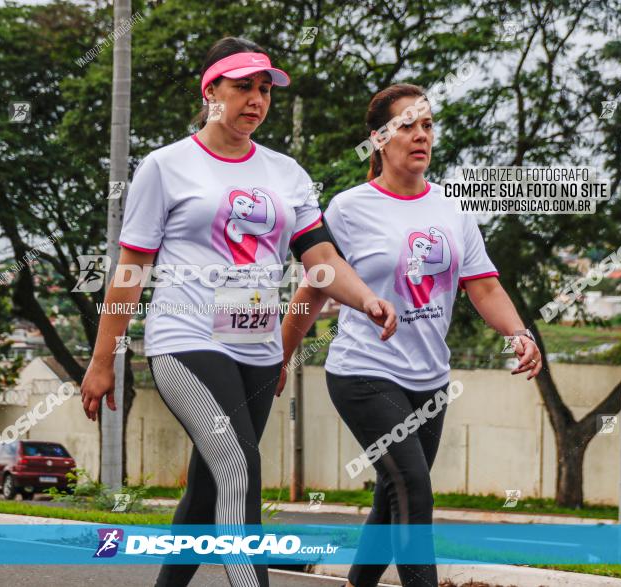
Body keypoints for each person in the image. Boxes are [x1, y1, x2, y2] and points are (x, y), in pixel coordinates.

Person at [80, 37, 396, 587]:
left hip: (256, 345)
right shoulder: (165, 166)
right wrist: (103, 357)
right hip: (184, 338)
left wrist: (365, 298)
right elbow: (130, 270)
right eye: (244, 86)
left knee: (208, 489)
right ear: (211, 91)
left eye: (265, 88)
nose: (256, 99)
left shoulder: (286, 173)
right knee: (238, 463)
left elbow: (320, 258)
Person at [280, 83, 543, 587]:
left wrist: (518, 333)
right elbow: (314, 290)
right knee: (414, 490)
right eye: (407, 125)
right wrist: (282, 355)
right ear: (380, 138)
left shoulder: (453, 208)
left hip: (430, 379)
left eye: (427, 124)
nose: (421, 135)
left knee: (393, 496)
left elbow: (484, 287)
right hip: (363, 372)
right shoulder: (349, 208)